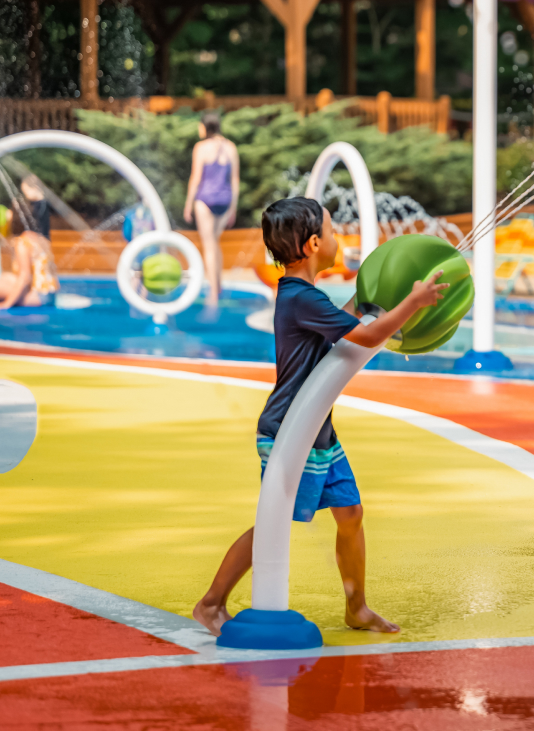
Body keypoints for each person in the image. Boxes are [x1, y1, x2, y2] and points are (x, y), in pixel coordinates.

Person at [192, 197, 449, 636]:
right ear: (313, 244)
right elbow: (365, 334)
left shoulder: (303, 296)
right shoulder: (298, 298)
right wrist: (413, 303)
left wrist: (380, 300)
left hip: (317, 431)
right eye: (331, 232)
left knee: (350, 514)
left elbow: (350, 321)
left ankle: (357, 608)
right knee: (274, 520)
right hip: (290, 429)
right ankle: (211, 602)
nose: (337, 239)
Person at [183, 111, 240, 309]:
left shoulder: (201, 147)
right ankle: (219, 286)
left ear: (206, 126)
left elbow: (196, 178)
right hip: (224, 200)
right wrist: (233, 207)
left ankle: (213, 296)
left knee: (208, 245)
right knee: (214, 243)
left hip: (205, 200)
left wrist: (188, 204)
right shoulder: (231, 147)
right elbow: (234, 180)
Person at [0, 210, 60, 309]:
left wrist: (7, 304)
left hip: (36, 298)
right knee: (6, 277)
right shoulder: (42, 240)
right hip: (50, 297)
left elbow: (25, 277)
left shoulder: (23, 242)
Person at [18, 174, 51, 241]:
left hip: (40, 240)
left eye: (26, 191)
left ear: (35, 188)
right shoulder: (37, 203)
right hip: (35, 239)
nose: (26, 195)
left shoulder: (42, 205)